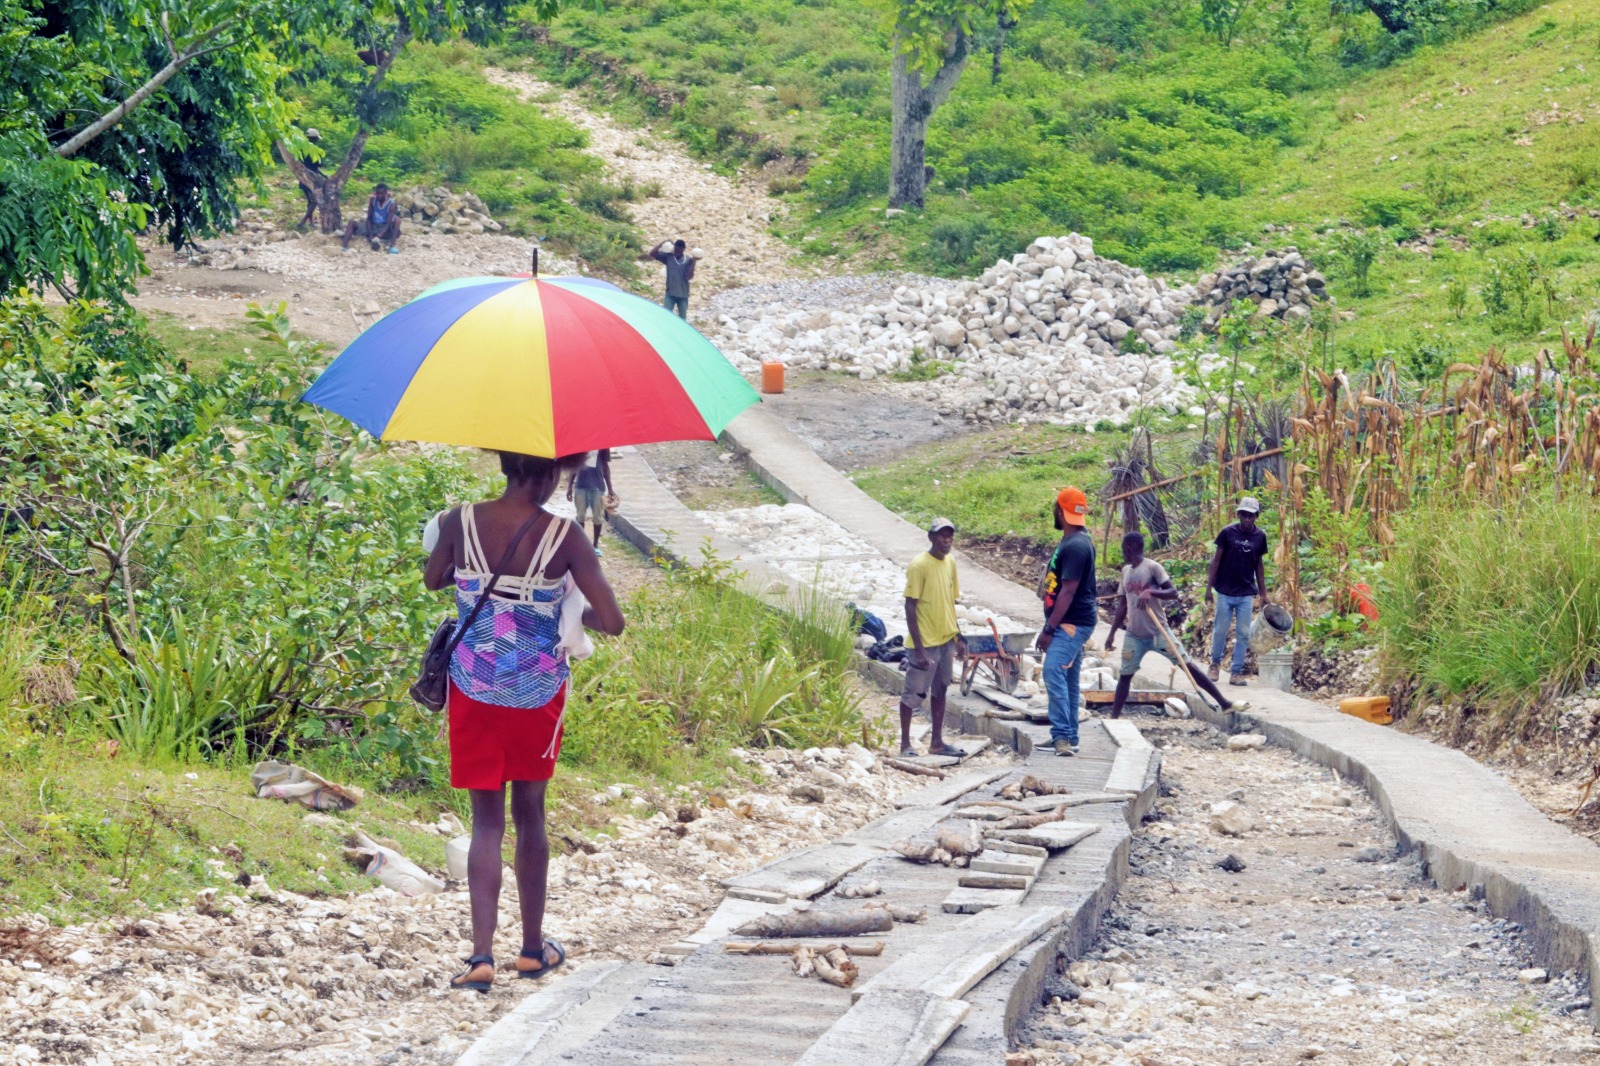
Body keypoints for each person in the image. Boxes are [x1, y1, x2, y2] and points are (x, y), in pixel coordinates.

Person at [423, 451, 626, 993]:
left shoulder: (458, 521)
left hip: (473, 686)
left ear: (507, 466)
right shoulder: (566, 537)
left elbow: (433, 579)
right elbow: (612, 621)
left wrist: (478, 581)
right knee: (529, 814)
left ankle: (480, 958)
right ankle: (533, 951)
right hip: (537, 692)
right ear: (553, 473)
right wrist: (560, 602)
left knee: (486, 822)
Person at [1103, 532, 1247, 719]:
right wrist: (1112, 633)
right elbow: (1122, 604)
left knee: (1188, 666)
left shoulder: (1153, 567)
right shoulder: (1126, 571)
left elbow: (1173, 592)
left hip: (1159, 631)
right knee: (1125, 675)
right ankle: (1114, 718)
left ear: (1128, 548)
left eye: (1123, 548)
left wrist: (1150, 592)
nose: (1122, 551)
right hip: (1134, 634)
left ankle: (1224, 703)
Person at [1035, 487, 1098, 756]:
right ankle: (1070, 736)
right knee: (1070, 678)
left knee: (1052, 671)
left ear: (1061, 511)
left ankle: (1061, 736)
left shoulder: (1075, 546)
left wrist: (1049, 629)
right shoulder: (1076, 541)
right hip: (1073, 621)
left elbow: (1068, 591)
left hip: (1071, 623)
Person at [899, 518, 963, 759]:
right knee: (913, 693)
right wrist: (919, 649)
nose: (946, 540)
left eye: (950, 536)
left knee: (941, 690)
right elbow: (910, 606)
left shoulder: (951, 563)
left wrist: (958, 636)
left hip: (945, 639)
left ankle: (936, 741)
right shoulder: (919, 566)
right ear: (931, 538)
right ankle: (905, 743)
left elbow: (949, 602)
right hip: (924, 642)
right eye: (941, 536)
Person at [1206, 495, 1270, 687]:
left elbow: (1259, 565)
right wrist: (1209, 588)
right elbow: (1216, 561)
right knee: (1220, 630)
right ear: (1239, 514)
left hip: (1245, 593)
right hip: (1225, 591)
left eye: (1251, 516)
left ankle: (1236, 672)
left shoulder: (1260, 537)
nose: (1247, 519)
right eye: (1244, 515)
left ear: (1256, 517)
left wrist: (1263, 593)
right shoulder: (1227, 533)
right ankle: (1215, 664)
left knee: (1243, 633)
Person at [564, 449, 614, 557]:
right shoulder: (580, 443)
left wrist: (610, 489)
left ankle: (595, 546)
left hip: (598, 487)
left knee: (598, 517)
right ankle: (581, 545)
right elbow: (574, 466)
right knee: (580, 517)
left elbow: (605, 467)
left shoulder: (603, 445)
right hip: (581, 486)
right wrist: (570, 487)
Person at [342, 182, 402, 253]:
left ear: (385, 193)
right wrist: (371, 237)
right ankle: (344, 247)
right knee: (351, 223)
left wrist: (379, 236)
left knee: (397, 220)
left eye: (381, 194)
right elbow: (368, 219)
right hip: (373, 226)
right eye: (377, 194)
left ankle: (391, 247)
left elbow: (388, 224)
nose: (379, 196)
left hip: (383, 228)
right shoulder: (373, 200)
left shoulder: (391, 204)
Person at [647, 239, 696, 318]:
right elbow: (652, 253)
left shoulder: (688, 260)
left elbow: (689, 277)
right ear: (674, 248)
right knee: (666, 316)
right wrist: (662, 243)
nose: (676, 251)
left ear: (683, 249)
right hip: (670, 294)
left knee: (682, 318)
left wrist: (694, 262)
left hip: (683, 295)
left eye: (679, 249)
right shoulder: (669, 257)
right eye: (675, 249)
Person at [296, 128, 326, 230]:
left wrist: (324, 175)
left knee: (310, 201)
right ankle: (303, 221)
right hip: (311, 179)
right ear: (314, 139)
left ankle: (311, 222)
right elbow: (318, 166)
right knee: (314, 201)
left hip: (302, 178)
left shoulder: (301, 150)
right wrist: (324, 175)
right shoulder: (315, 151)